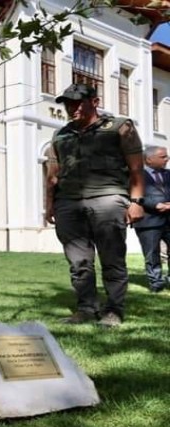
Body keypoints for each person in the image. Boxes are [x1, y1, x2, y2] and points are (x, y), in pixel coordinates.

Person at [45, 83, 144, 328]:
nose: (72, 108)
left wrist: (136, 201)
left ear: (95, 102)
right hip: (68, 202)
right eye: (68, 104)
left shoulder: (119, 127)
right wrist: (50, 205)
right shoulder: (61, 135)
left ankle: (113, 311)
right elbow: (53, 175)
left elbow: (136, 169)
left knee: (112, 258)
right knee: (78, 262)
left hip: (108, 198)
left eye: (78, 102)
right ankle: (86, 308)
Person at [133, 145, 170, 293]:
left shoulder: (168, 174)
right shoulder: (136, 176)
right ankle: (156, 283)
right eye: (163, 157)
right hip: (148, 221)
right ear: (149, 159)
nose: (167, 159)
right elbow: (135, 195)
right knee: (152, 254)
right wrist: (155, 204)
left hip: (168, 218)